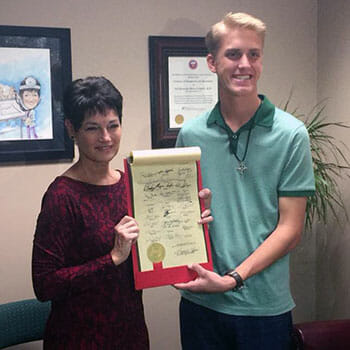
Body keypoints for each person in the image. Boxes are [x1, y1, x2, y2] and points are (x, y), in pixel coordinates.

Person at [31, 76, 212, 349]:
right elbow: (44, 285)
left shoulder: (132, 184)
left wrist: (190, 219)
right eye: (93, 128)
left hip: (131, 332)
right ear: (72, 129)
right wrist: (112, 258)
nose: (105, 138)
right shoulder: (62, 196)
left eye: (113, 125)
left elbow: (154, 252)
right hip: (79, 338)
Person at [175, 12, 315, 350]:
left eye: (254, 54)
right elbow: (179, 213)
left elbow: (290, 229)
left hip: (264, 307)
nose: (245, 64)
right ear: (212, 62)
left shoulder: (291, 134)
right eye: (233, 54)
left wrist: (233, 279)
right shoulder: (191, 134)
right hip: (201, 305)